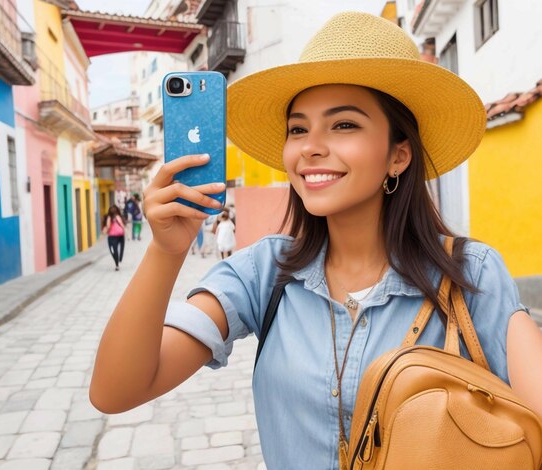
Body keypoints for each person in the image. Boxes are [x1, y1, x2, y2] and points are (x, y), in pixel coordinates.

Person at [89, 12, 542, 469]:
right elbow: (116, 390)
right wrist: (166, 251)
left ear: (398, 155)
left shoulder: (471, 274)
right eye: (298, 129)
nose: (309, 147)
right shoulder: (264, 274)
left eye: (343, 125)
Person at [102, 205, 126, 271]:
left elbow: (108, 226)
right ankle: (119, 259)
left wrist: (104, 232)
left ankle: (117, 264)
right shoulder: (118, 216)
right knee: (121, 248)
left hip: (112, 237)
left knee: (112, 250)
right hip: (121, 235)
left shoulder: (109, 217)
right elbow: (122, 225)